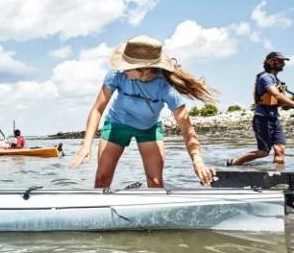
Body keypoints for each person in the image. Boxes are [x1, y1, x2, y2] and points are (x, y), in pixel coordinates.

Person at [70, 35, 217, 188]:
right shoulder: (117, 75)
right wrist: (86, 144)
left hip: (149, 129)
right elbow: (97, 109)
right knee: (102, 178)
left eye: (128, 65)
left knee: (155, 182)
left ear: (145, 69)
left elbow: (187, 130)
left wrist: (197, 161)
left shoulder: (165, 87)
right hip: (117, 124)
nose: (122, 68)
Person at [227, 51, 294, 166]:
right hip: (262, 118)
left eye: (284, 61)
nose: (283, 63)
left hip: (274, 118)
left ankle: (277, 176)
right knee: (264, 152)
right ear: (272, 61)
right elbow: (277, 95)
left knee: (280, 150)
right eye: (281, 60)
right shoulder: (265, 77)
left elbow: (281, 99)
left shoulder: (276, 80)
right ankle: (234, 163)